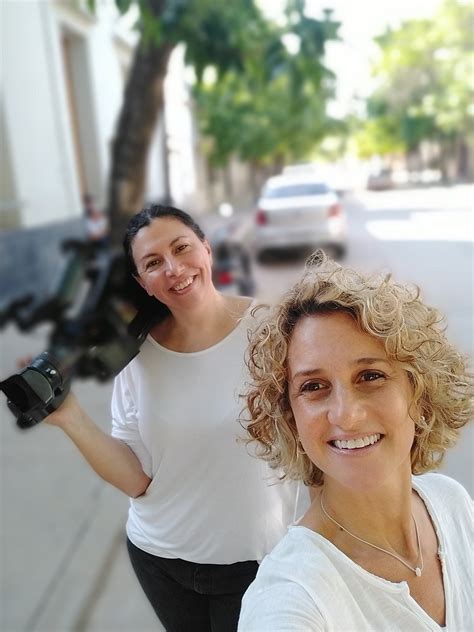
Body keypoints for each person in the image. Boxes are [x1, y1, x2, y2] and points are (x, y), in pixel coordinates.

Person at [43, 204, 305, 632]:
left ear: (206, 248)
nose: (173, 269)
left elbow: (318, 437)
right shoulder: (135, 354)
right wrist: (70, 417)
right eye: (152, 263)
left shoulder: (271, 330)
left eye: (181, 248)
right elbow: (137, 478)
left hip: (254, 563)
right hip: (158, 558)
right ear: (141, 283)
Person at [238, 251, 473, 631]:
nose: (346, 415)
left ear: (419, 390)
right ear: (290, 417)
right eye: (314, 386)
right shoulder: (292, 596)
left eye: (370, 376)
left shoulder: (451, 503)